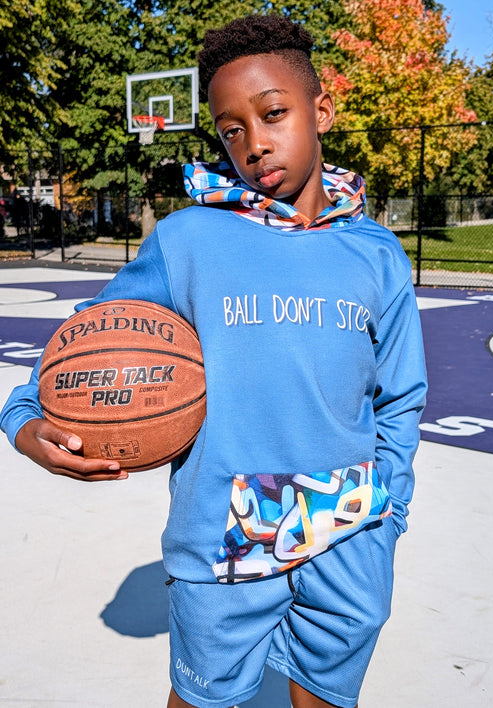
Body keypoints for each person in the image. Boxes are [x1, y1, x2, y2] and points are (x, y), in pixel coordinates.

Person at [0, 14, 427, 708]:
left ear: (320, 110)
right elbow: (91, 337)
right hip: (224, 527)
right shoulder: (190, 237)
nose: (253, 144)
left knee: (322, 695)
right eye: (230, 130)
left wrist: (389, 517)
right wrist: (24, 419)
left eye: (273, 113)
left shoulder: (375, 253)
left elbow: (400, 395)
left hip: (351, 519)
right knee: (202, 699)